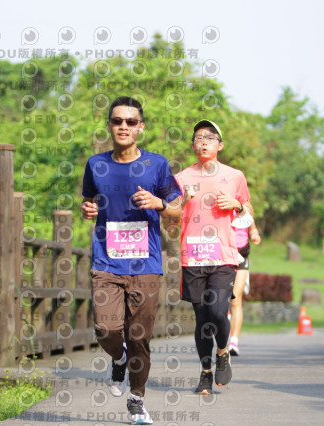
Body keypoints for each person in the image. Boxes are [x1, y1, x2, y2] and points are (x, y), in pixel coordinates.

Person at [81, 96, 182, 424]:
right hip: (106, 262)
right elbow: (88, 202)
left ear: (141, 127)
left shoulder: (157, 164)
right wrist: (88, 209)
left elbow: (178, 209)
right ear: (109, 125)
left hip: (146, 264)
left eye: (130, 121)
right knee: (105, 327)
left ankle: (137, 399)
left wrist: (159, 203)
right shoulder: (96, 164)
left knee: (140, 336)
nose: (123, 126)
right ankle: (119, 357)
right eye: (116, 121)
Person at [173, 119, 251, 395]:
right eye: (198, 137)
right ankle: (206, 373)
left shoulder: (235, 177)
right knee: (202, 318)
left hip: (224, 256)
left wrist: (238, 206)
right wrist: (181, 202)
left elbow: (247, 217)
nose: (203, 142)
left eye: (210, 137)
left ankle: (223, 352)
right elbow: (170, 222)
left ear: (220, 145)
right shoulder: (181, 179)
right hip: (192, 257)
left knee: (218, 311)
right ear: (193, 144)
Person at [228, 220, 261, 356]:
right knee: (220, 300)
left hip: (241, 251)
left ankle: (234, 342)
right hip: (222, 252)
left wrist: (254, 232)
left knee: (236, 299)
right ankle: (223, 331)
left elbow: (251, 219)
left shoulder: (244, 203)